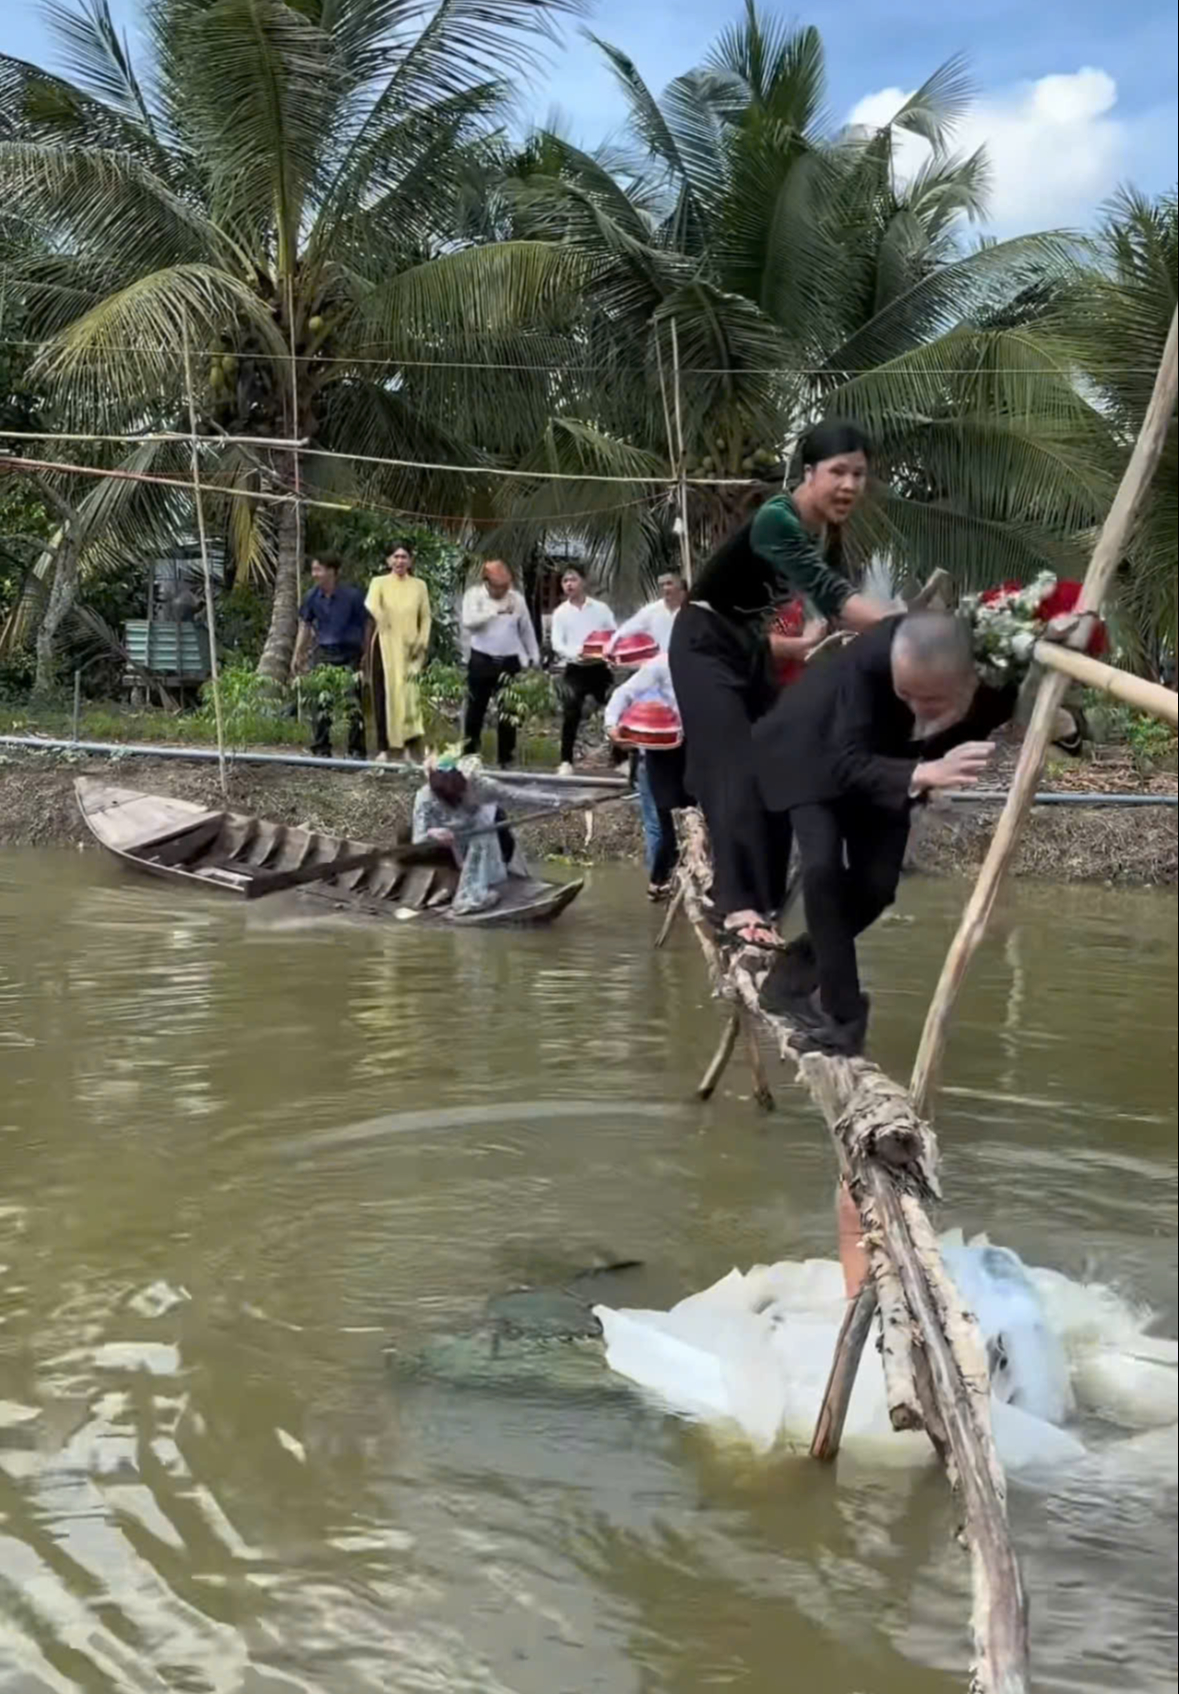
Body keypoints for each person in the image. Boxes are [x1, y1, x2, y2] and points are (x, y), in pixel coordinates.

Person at [668, 420, 890, 952]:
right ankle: (736, 903)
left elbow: (829, 616)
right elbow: (834, 598)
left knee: (778, 766)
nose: (850, 485)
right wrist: (907, 630)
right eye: (838, 472)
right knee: (735, 769)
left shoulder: (824, 533)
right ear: (808, 473)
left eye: (859, 474)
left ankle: (763, 902)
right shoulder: (777, 519)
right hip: (702, 643)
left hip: (750, 650)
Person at [411, 752, 557, 916]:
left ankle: (494, 884)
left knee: (483, 829)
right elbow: (418, 838)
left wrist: (557, 802)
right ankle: (471, 895)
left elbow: (516, 795)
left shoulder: (477, 784)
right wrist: (433, 833)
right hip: (455, 845)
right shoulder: (425, 797)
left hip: (491, 835)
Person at [604, 654, 690, 898]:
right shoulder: (662, 665)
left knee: (693, 822)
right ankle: (659, 881)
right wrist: (612, 726)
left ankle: (683, 878)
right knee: (665, 826)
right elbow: (623, 694)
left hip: (693, 748)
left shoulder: (716, 661)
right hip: (659, 750)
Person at [461, 559, 541, 767]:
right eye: (498, 588)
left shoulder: (517, 600)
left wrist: (534, 656)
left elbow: (526, 630)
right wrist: (493, 612)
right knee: (475, 709)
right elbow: (469, 622)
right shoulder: (474, 596)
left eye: (505, 587)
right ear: (487, 583)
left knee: (508, 711)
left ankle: (506, 758)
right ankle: (469, 755)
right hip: (481, 658)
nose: (502, 592)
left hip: (509, 661)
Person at [293, 554, 370, 759]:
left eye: (319, 569)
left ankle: (356, 750)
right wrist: (298, 653)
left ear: (332, 571)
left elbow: (367, 626)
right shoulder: (311, 596)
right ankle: (321, 748)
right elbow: (305, 625)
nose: (315, 574)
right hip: (324, 653)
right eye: (314, 570)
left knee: (352, 701)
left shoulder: (353, 596)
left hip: (350, 653)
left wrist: (367, 654)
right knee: (320, 701)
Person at [366, 540, 431, 762]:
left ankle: (406, 749)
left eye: (404, 557)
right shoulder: (379, 583)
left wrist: (422, 641)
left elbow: (426, 617)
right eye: (395, 556)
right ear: (388, 561)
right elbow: (371, 604)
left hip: (410, 649)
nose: (399, 561)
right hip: (385, 646)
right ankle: (384, 749)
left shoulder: (419, 586)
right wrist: (382, 618)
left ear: (410, 561)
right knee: (383, 695)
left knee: (409, 697)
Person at [549, 567, 616, 775]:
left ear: (583, 582)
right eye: (565, 581)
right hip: (575, 668)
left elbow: (614, 634)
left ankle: (620, 758)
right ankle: (566, 761)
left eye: (573, 579)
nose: (569, 584)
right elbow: (557, 643)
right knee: (571, 711)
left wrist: (607, 653)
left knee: (615, 708)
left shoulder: (601, 609)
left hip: (599, 668)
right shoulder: (560, 613)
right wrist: (576, 653)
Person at [608, 570, 687, 657]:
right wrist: (611, 644)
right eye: (662, 585)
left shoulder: (694, 611)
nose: (665, 588)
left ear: (682, 590)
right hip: (661, 664)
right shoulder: (652, 610)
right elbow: (627, 628)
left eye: (669, 583)